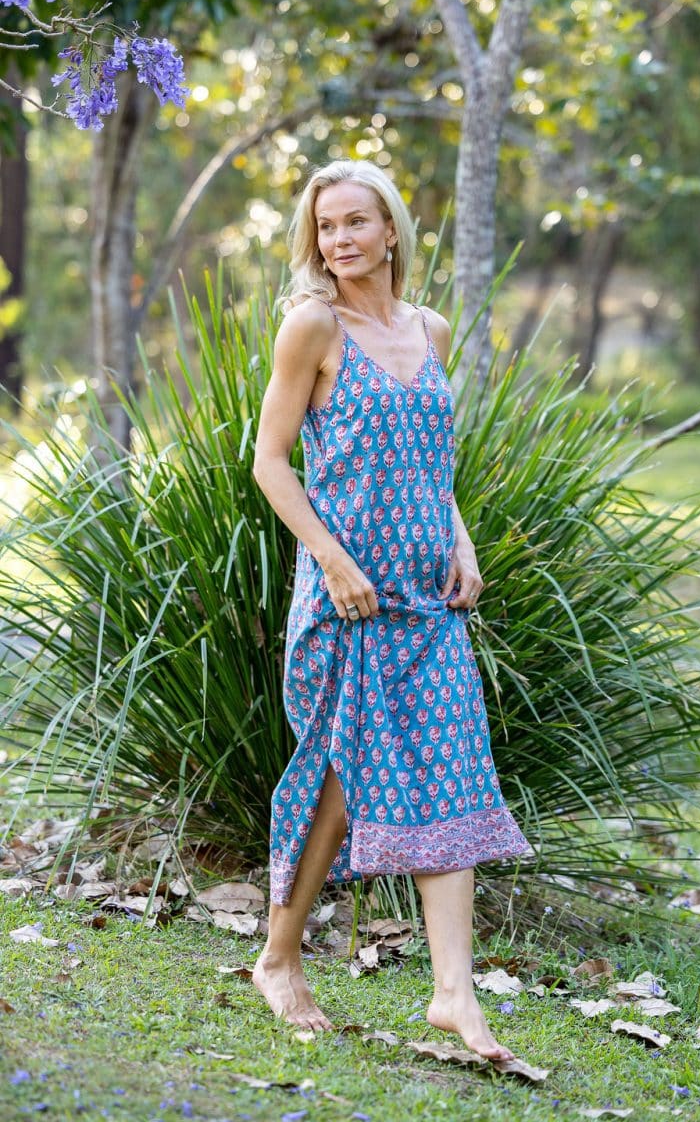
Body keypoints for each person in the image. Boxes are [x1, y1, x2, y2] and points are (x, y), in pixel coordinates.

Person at [251, 158, 531, 1059]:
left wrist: (463, 540)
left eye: (355, 222)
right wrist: (330, 561)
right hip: (349, 597)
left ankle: (455, 994)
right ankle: (279, 957)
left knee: (451, 766)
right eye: (325, 227)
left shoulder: (430, 328)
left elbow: (430, 462)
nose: (339, 240)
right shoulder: (312, 325)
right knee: (340, 781)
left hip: (426, 595)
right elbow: (270, 460)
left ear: (392, 230)